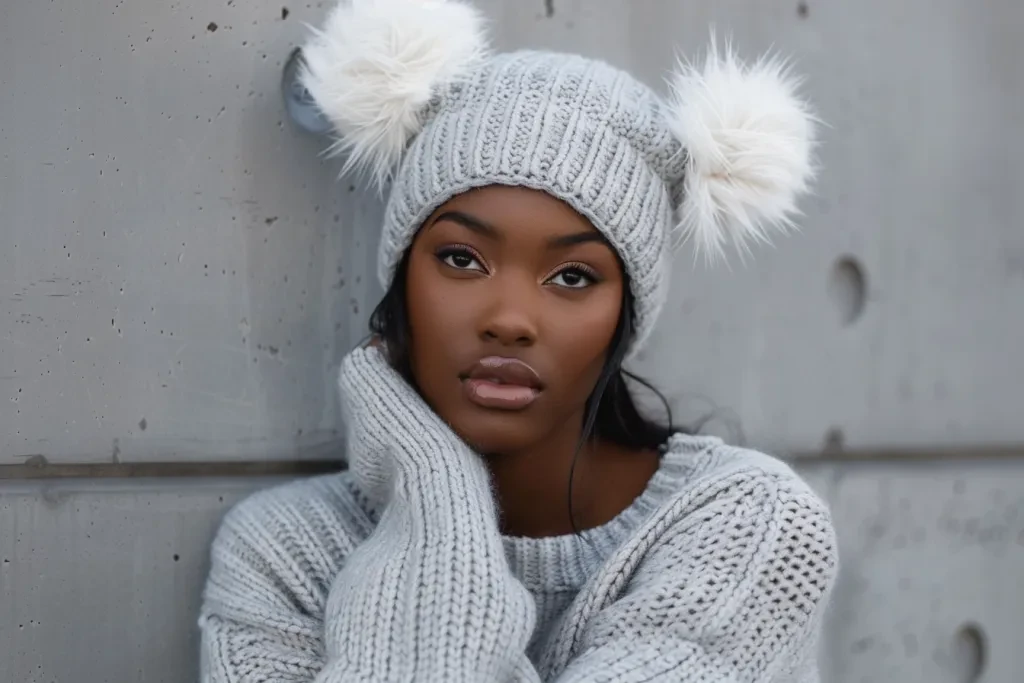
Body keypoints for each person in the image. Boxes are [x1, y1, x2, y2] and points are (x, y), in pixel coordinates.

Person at [198, 1, 838, 681]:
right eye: (461, 260)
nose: (510, 317)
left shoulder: (750, 527)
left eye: (571, 275)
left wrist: (434, 497)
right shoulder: (284, 554)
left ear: (627, 312)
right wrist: (433, 491)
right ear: (402, 279)